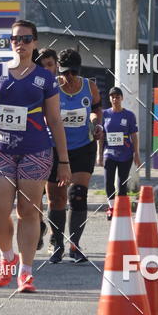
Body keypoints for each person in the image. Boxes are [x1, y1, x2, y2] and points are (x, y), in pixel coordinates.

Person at [0, 20, 70, 293]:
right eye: (16, 38)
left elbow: (54, 120)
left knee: (29, 211)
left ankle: (26, 272)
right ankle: (8, 256)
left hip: (36, 150)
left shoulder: (45, 78)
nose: (21, 43)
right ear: (10, 42)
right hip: (1, 150)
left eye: (27, 39)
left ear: (35, 43)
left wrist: (63, 161)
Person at [46, 48, 103, 264]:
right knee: (57, 198)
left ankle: (75, 245)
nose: (68, 77)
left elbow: (97, 109)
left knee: (78, 194)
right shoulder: (52, 88)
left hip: (82, 147)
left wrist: (97, 124)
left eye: (72, 73)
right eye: (64, 73)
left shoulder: (89, 86)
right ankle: (57, 243)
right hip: (54, 148)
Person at [98, 86, 140, 220]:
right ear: (110, 99)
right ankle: (111, 207)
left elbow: (134, 135)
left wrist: (136, 154)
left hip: (125, 154)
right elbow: (102, 136)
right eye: (112, 97)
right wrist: (99, 155)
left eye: (117, 96)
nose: (115, 99)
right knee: (108, 181)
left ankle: (121, 209)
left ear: (122, 98)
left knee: (122, 182)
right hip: (109, 153)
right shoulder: (105, 114)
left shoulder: (129, 115)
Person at [34, 47, 59, 251]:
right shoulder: (33, 86)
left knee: (55, 196)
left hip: (57, 147)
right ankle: (38, 225)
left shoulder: (62, 87)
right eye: (43, 66)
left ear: (56, 65)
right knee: (35, 196)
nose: (47, 69)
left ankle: (54, 235)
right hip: (36, 146)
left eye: (50, 65)